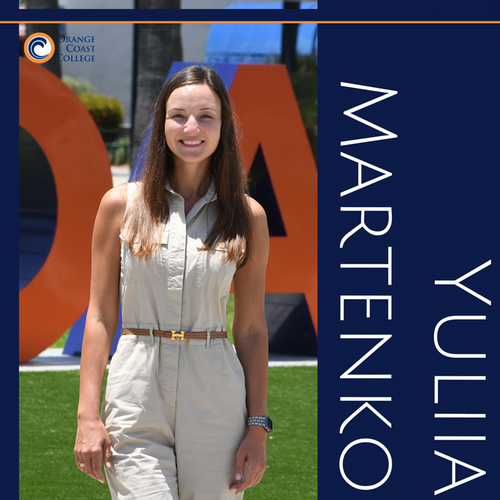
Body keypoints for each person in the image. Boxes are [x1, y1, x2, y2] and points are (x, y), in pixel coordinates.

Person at [74, 65, 271, 500]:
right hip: (136, 391)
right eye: (178, 115)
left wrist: (257, 428)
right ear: (161, 122)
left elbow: (253, 329)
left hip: (216, 394)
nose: (191, 127)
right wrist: (88, 413)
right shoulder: (120, 205)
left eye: (206, 116)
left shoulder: (248, 216)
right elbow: (101, 314)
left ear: (224, 126)